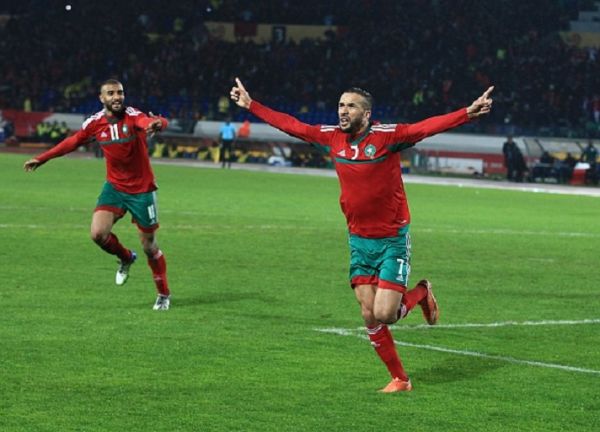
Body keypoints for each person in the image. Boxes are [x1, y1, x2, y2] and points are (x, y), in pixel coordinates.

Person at [230, 77, 493, 393]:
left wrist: (467, 112)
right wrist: (251, 105)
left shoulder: (387, 137)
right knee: (370, 315)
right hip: (358, 239)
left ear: (366, 113)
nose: (343, 111)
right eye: (341, 105)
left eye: (350, 106)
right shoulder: (332, 138)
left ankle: (422, 291)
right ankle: (401, 379)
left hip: (391, 238)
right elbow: (293, 126)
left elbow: (426, 127)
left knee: (387, 313)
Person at [23, 79, 172, 311]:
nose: (117, 97)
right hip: (114, 188)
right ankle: (125, 257)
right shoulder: (95, 123)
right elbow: (72, 141)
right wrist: (43, 158)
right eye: (111, 93)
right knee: (97, 234)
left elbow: (153, 121)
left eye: (120, 92)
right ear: (101, 98)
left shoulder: (133, 116)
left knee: (149, 246)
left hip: (142, 190)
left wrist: (158, 123)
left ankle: (163, 294)